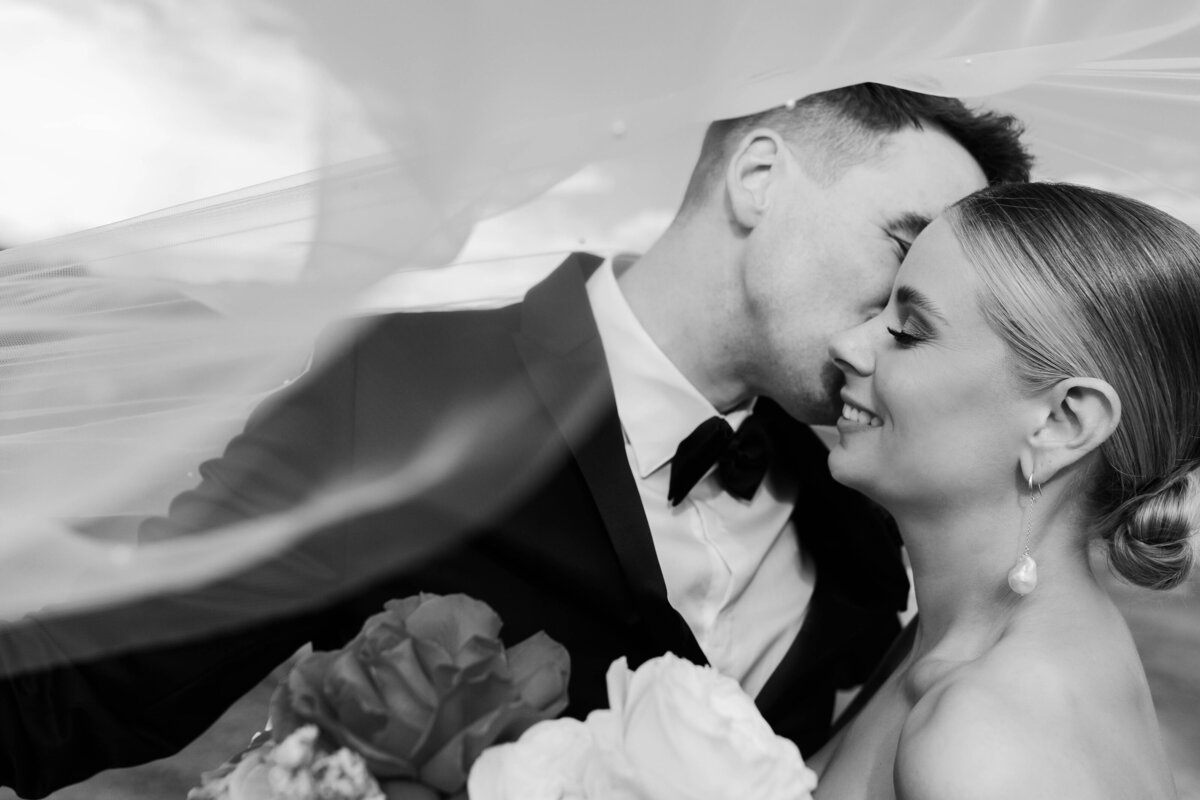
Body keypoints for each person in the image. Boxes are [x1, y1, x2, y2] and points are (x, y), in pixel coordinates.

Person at [0, 84, 1030, 796]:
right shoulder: (410, 385)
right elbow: (93, 687)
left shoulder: (867, 500)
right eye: (904, 243)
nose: (909, 309)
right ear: (758, 176)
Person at [808, 181, 1196, 799]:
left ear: (1062, 422)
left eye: (908, 331)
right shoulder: (952, 637)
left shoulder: (985, 737)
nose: (847, 344)